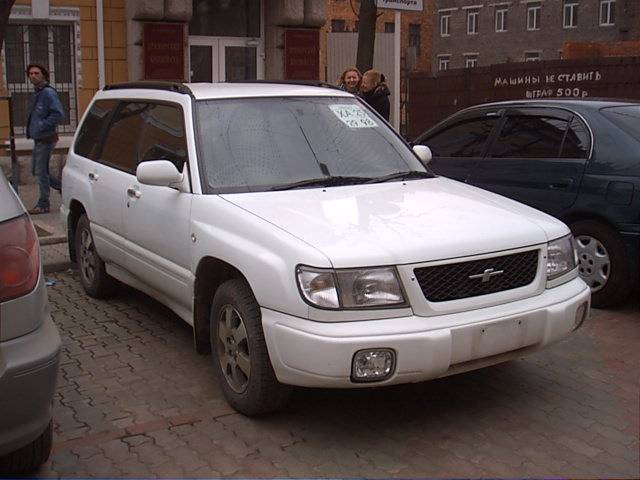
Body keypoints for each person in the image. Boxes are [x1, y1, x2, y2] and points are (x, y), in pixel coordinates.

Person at [25, 63, 64, 214]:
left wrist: (42, 125)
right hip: (38, 138)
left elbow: (58, 114)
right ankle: (63, 187)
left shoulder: (48, 93)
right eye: (31, 74)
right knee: (38, 170)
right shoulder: (37, 93)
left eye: (37, 73)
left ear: (43, 75)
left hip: (46, 138)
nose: (33, 76)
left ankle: (43, 203)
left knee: (41, 171)